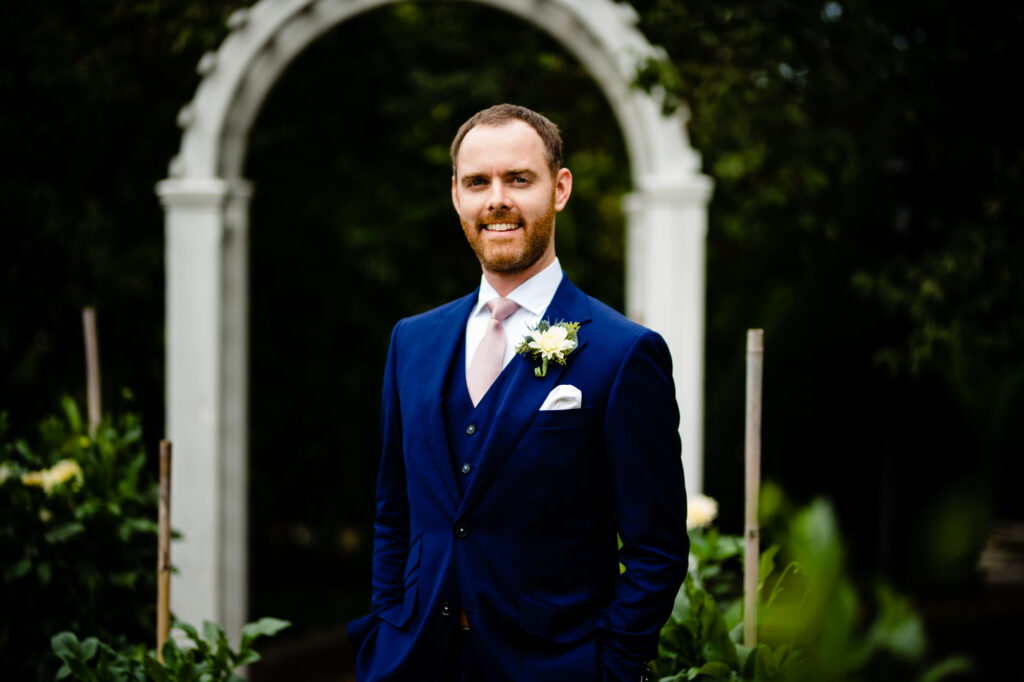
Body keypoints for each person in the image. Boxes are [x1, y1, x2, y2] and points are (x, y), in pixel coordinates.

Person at [347, 104, 688, 682]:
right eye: (478, 182)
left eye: (519, 179)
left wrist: (610, 667)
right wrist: (388, 625)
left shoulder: (623, 353)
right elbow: (394, 511)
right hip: (415, 661)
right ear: (456, 195)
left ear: (559, 188)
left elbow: (657, 547)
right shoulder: (413, 341)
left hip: (555, 667)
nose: (496, 199)